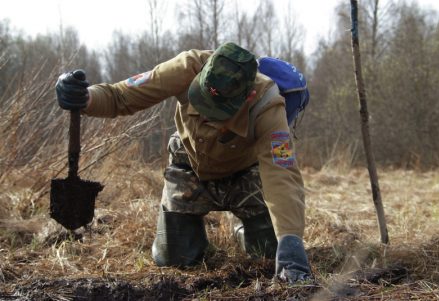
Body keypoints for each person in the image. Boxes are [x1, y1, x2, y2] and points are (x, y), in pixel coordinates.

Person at [55, 42, 311, 283]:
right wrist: (85, 97)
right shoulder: (186, 67)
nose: (207, 116)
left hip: (245, 172)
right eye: (202, 102)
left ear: (248, 97)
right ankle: (188, 236)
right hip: (190, 167)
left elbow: (282, 172)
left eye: (217, 111)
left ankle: (245, 233)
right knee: (175, 259)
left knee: (270, 253)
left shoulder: (268, 104)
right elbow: (124, 95)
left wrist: (290, 241)